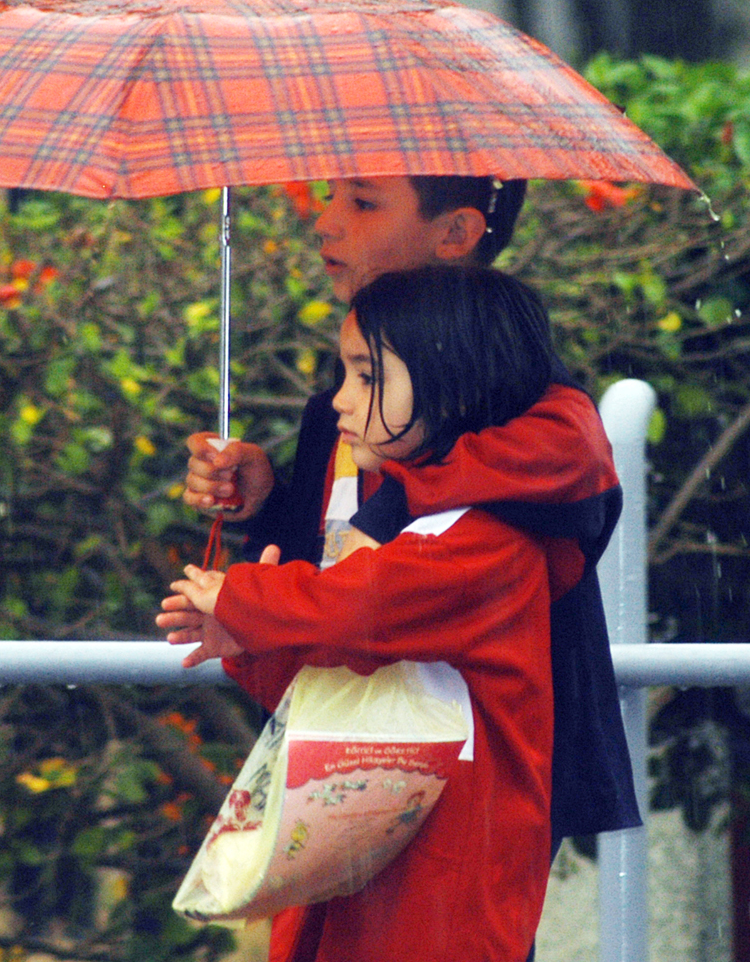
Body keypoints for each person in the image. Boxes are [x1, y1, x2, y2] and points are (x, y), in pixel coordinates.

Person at [176, 175, 638, 956]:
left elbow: (381, 581)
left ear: (455, 233)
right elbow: (332, 571)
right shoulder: (356, 409)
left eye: (362, 203)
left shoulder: (527, 405)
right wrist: (264, 510)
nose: (325, 223)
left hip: (472, 766)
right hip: (358, 755)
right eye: (330, 197)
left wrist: (390, 501)